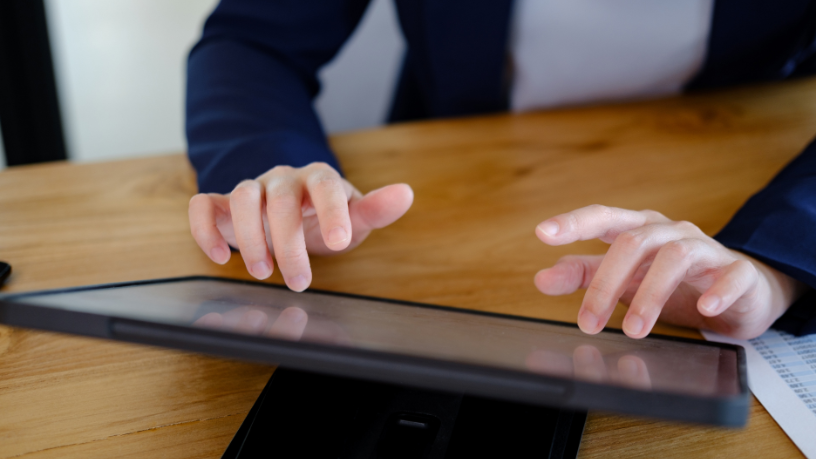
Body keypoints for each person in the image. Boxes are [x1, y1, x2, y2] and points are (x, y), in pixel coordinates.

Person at [185, 0, 816, 340]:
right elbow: (253, 38)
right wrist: (273, 171)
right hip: (454, 198)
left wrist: (775, 264)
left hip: (732, 176)